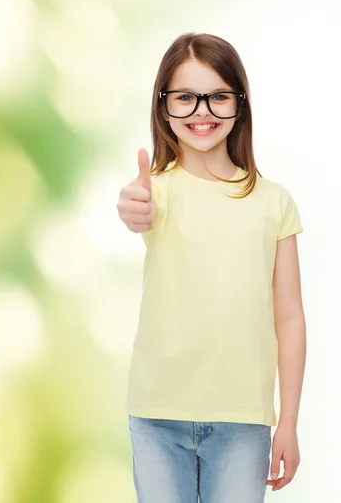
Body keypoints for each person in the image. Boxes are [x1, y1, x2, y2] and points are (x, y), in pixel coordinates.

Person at [116, 32, 306, 503]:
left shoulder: (273, 202)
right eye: (185, 98)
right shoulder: (154, 193)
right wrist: (132, 207)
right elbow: (135, 209)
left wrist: (289, 423)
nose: (202, 111)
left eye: (218, 96)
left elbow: (290, 317)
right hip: (156, 414)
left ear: (240, 105)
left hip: (244, 421)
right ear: (163, 108)